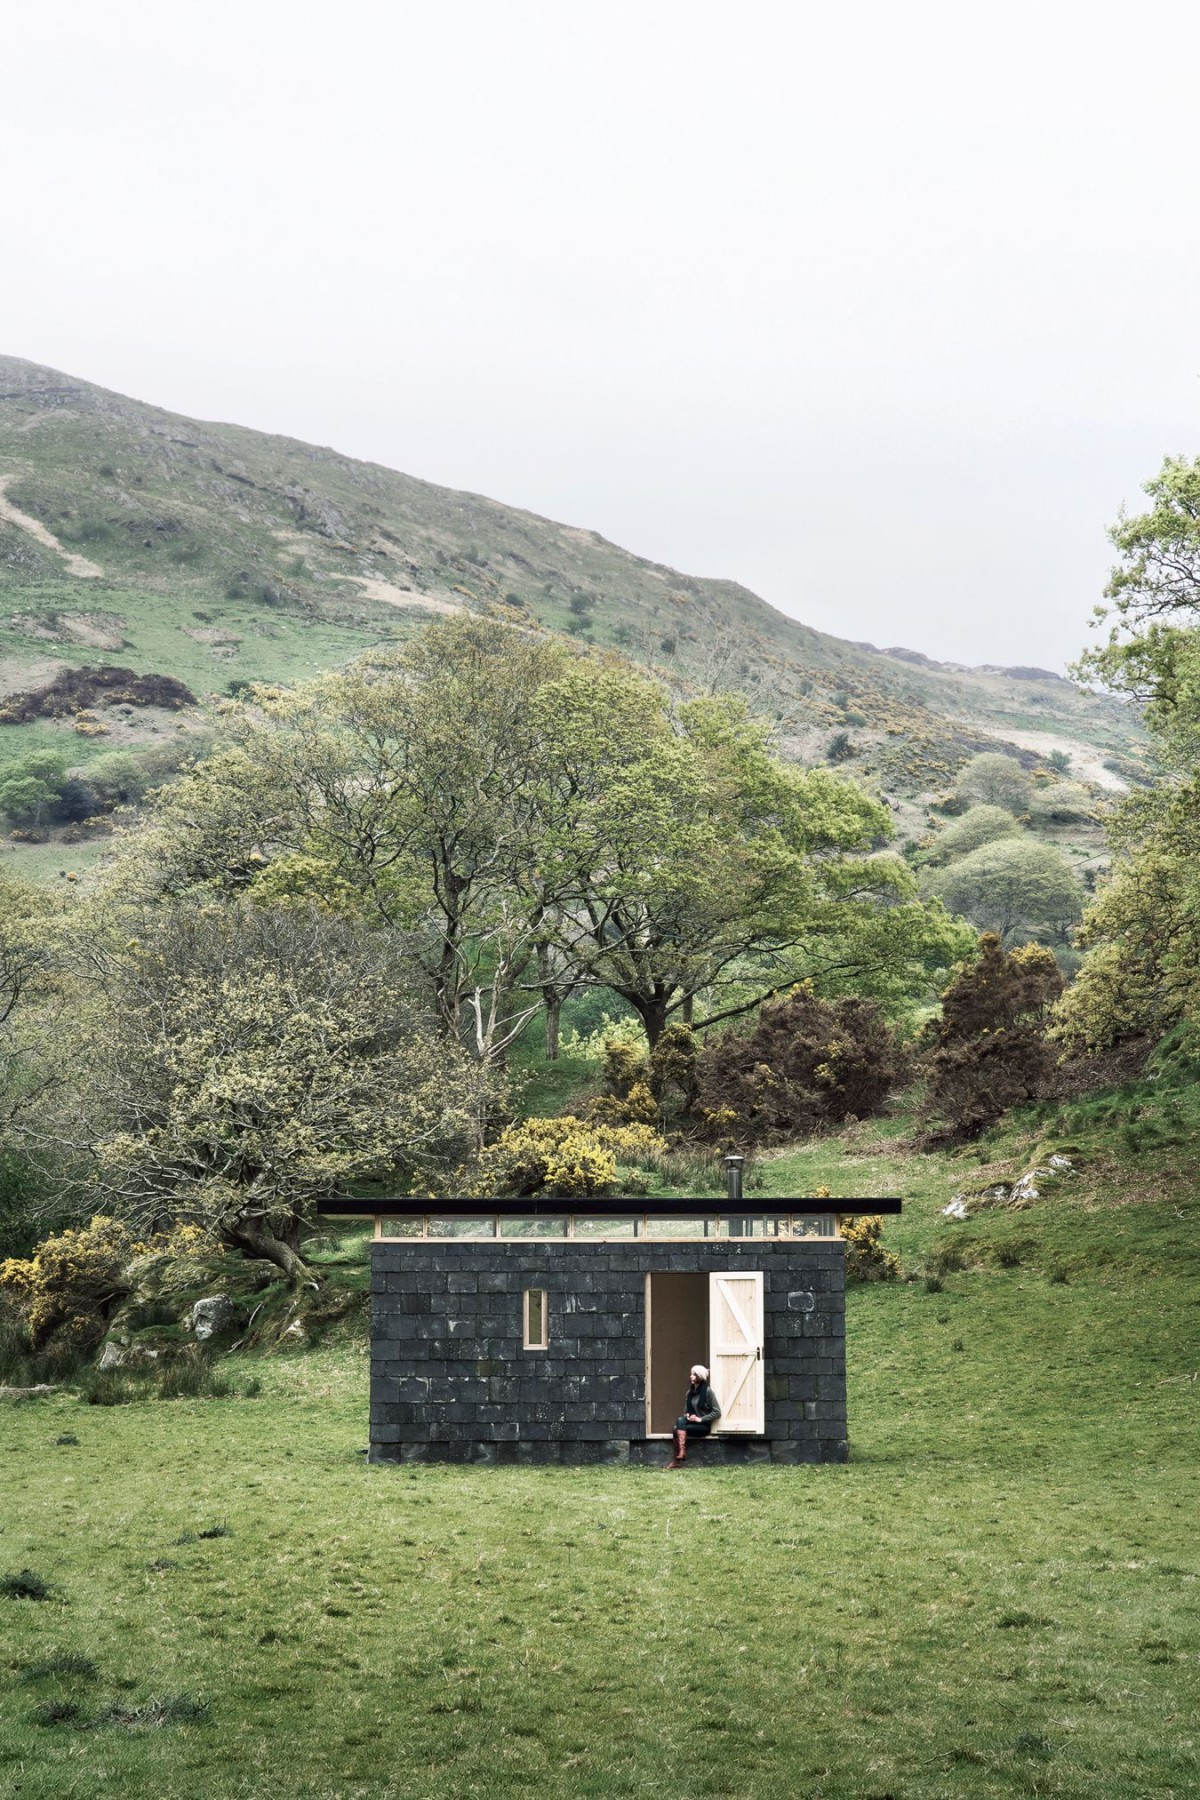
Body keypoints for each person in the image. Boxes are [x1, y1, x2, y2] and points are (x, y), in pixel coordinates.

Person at [664, 1363, 721, 1468]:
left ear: (700, 1376)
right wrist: (689, 1416)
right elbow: (685, 1412)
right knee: (679, 1421)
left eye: (694, 1374)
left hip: (703, 1426)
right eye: (691, 1374)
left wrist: (700, 1419)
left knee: (676, 1428)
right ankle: (681, 1454)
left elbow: (717, 1412)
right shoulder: (689, 1392)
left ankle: (677, 1461)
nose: (691, 1376)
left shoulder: (708, 1391)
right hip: (692, 1423)